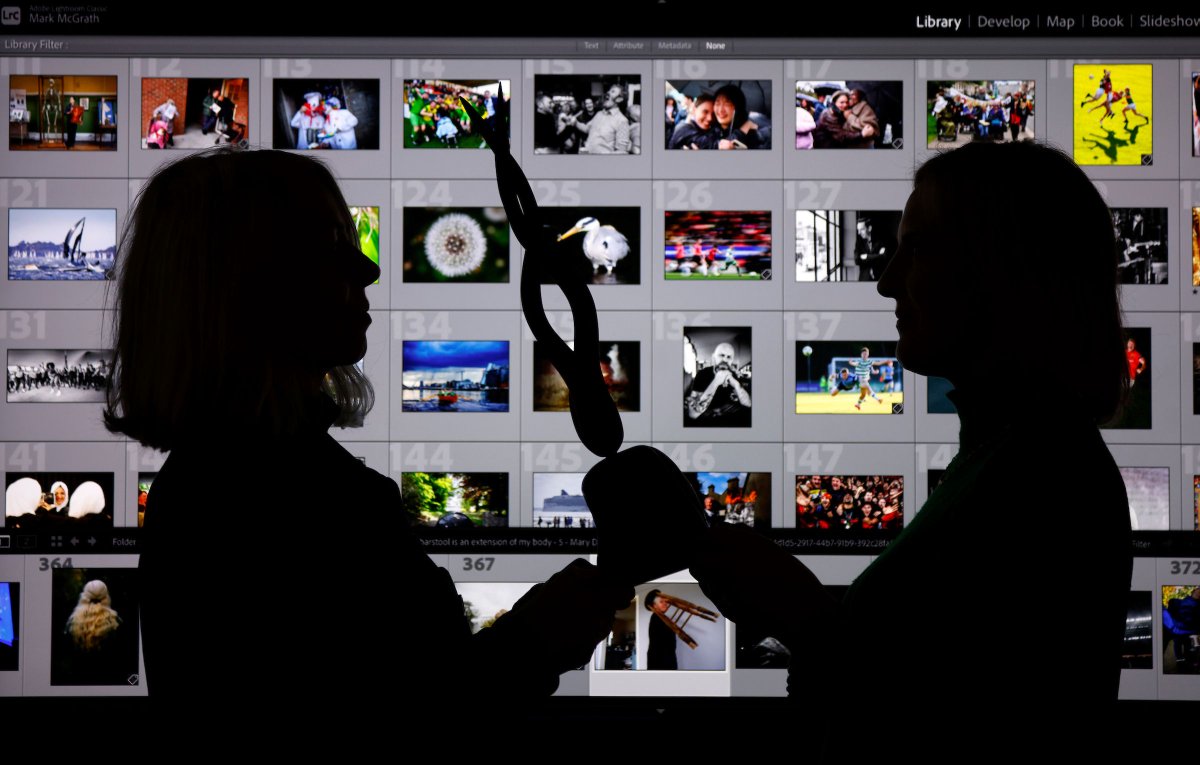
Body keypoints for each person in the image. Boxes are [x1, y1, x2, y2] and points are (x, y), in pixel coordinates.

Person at [104, 148, 631, 724]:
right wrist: (537, 640)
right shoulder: (313, 501)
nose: (368, 269)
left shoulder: (198, 486)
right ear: (253, 282)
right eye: (333, 244)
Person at [690, 141, 1131, 757]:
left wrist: (804, 619)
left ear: (1002, 270)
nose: (886, 281)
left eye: (918, 248)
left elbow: (928, 731)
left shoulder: (1038, 480)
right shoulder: (1018, 455)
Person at [684, 341, 751, 427]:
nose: (725, 360)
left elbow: (748, 404)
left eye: (729, 357)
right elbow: (693, 414)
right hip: (708, 420)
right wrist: (716, 381)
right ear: (713, 357)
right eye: (721, 355)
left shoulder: (733, 375)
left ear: (731, 360)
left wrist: (736, 384)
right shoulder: (702, 374)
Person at [576, 85, 633, 155]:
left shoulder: (622, 121)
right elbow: (586, 129)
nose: (608, 92)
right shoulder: (599, 114)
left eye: (613, 91)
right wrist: (575, 122)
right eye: (609, 90)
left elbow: (622, 152)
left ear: (619, 99)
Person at [711, 84, 766, 150]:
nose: (720, 110)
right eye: (717, 103)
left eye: (727, 103)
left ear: (738, 107)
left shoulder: (752, 135)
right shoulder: (709, 129)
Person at [644, 589, 678, 670]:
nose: (665, 603)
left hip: (666, 661)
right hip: (661, 663)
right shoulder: (656, 618)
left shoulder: (662, 618)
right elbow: (660, 646)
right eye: (661, 602)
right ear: (654, 605)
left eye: (665, 601)